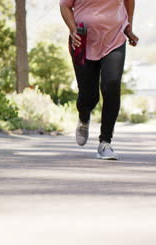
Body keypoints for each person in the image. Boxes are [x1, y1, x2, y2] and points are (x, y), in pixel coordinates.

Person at [59, 0, 139, 160]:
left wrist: (128, 25)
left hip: (114, 38)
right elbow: (65, 5)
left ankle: (105, 142)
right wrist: (73, 30)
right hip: (82, 38)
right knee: (89, 96)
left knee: (112, 84)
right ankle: (83, 117)